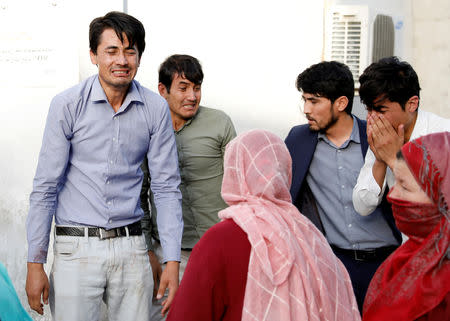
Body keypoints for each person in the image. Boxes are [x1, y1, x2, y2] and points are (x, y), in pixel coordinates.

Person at [25, 12, 183, 321]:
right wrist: (35, 263)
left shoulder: (155, 109)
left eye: (130, 51)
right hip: (76, 249)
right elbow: (46, 186)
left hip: (132, 248)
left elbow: (166, 188)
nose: (122, 60)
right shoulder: (67, 105)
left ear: (139, 56)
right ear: (94, 55)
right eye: (112, 51)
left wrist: (172, 262)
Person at [167, 129, 360, 321]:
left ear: (236, 171)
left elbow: (187, 313)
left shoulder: (219, 240)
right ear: (284, 171)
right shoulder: (312, 239)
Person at [285, 61, 401, 312]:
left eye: (314, 101)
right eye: (304, 100)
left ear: (340, 103)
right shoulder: (298, 140)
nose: (306, 109)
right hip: (333, 264)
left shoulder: (377, 137)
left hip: (387, 263)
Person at [140, 54, 236, 318]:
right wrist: (149, 248)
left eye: (197, 87)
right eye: (183, 88)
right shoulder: (147, 129)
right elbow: (141, 194)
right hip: (169, 251)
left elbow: (240, 185)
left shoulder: (220, 123)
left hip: (215, 246)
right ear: (163, 90)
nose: (192, 96)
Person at [363, 132, 450, 321]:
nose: (391, 195)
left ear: (443, 198)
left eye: (404, 186)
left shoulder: (444, 292)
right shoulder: (411, 252)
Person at [353, 56, 450, 216]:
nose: (372, 118)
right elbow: (362, 207)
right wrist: (379, 161)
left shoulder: (443, 136)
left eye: (381, 110)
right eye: (369, 109)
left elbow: (437, 210)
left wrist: (394, 160)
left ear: (412, 104)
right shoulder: (384, 137)